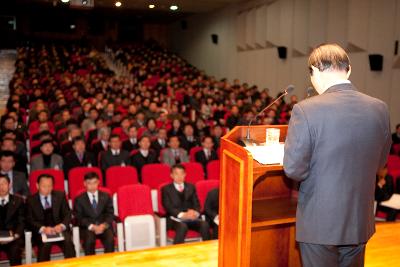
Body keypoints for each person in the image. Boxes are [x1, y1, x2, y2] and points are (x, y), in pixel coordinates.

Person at [283, 43, 392, 267]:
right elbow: (380, 162)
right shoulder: (379, 108)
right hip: (359, 219)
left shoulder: (305, 109)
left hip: (320, 222)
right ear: (349, 69)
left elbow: (294, 169)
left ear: (314, 71)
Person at [26, 173, 75, 262]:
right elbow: (29, 220)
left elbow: (67, 214)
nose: (47, 189)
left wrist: (62, 225)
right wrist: (43, 229)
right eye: (44, 186)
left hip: (59, 230)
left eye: (50, 186)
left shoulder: (60, 195)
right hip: (42, 232)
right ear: (37, 185)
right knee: (45, 246)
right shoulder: (30, 200)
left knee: (68, 243)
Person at [161, 164, 210, 244]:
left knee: (204, 224)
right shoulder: (166, 189)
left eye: (182, 173)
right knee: (182, 227)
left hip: (191, 217)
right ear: (171, 175)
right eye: (176, 174)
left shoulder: (191, 187)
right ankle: (178, 252)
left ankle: (208, 249)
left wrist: (195, 212)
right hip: (174, 218)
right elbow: (168, 207)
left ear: (185, 174)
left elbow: (197, 204)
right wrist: (182, 215)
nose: (179, 176)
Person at [74, 172, 115, 255]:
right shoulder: (79, 199)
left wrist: (104, 225)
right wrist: (92, 227)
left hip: (104, 226)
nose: (92, 186)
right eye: (89, 183)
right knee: (89, 241)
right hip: (88, 227)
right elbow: (79, 217)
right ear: (84, 184)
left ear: (98, 182)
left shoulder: (106, 196)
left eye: (94, 182)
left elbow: (110, 213)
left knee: (110, 240)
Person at [0, 174, 25, 266]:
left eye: (4, 183)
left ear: (9, 185)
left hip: (13, 237)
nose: (1, 187)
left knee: (15, 249)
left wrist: (16, 235)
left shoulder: (18, 200)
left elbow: (21, 221)